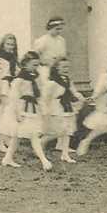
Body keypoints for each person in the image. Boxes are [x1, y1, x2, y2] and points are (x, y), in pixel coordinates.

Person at [0, 51, 50, 170]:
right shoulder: (19, 79)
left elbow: (39, 94)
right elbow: (14, 97)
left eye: (37, 65)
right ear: (25, 64)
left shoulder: (36, 78)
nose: (36, 68)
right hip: (21, 109)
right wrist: (17, 113)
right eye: (33, 65)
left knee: (18, 136)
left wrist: (42, 108)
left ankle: (7, 158)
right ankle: (44, 160)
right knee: (33, 135)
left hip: (32, 108)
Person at [41, 57, 85, 164]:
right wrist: (46, 111)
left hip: (67, 107)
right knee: (57, 131)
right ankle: (40, 144)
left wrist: (82, 98)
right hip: (56, 108)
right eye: (63, 67)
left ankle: (65, 154)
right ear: (56, 68)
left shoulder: (68, 80)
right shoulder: (52, 83)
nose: (66, 69)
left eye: (68, 67)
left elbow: (74, 92)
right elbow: (45, 98)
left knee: (67, 131)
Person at [33, 17, 67, 151]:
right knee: (45, 100)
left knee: (59, 101)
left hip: (57, 72)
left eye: (60, 29)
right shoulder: (42, 40)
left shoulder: (61, 40)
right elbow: (35, 56)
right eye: (56, 29)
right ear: (50, 27)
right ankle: (42, 132)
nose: (58, 31)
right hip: (45, 72)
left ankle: (59, 140)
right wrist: (45, 62)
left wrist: (58, 63)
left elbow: (62, 56)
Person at [0, 34, 20, 153]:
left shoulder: (14, 60)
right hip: (3, 87)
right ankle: (0, 142)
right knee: (2, 114)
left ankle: (8, 139)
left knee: (10, 114)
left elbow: (17, 73)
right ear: (3, 45)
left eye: (12, 45)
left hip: (12, 86)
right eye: (8, 44)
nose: (10, 47)